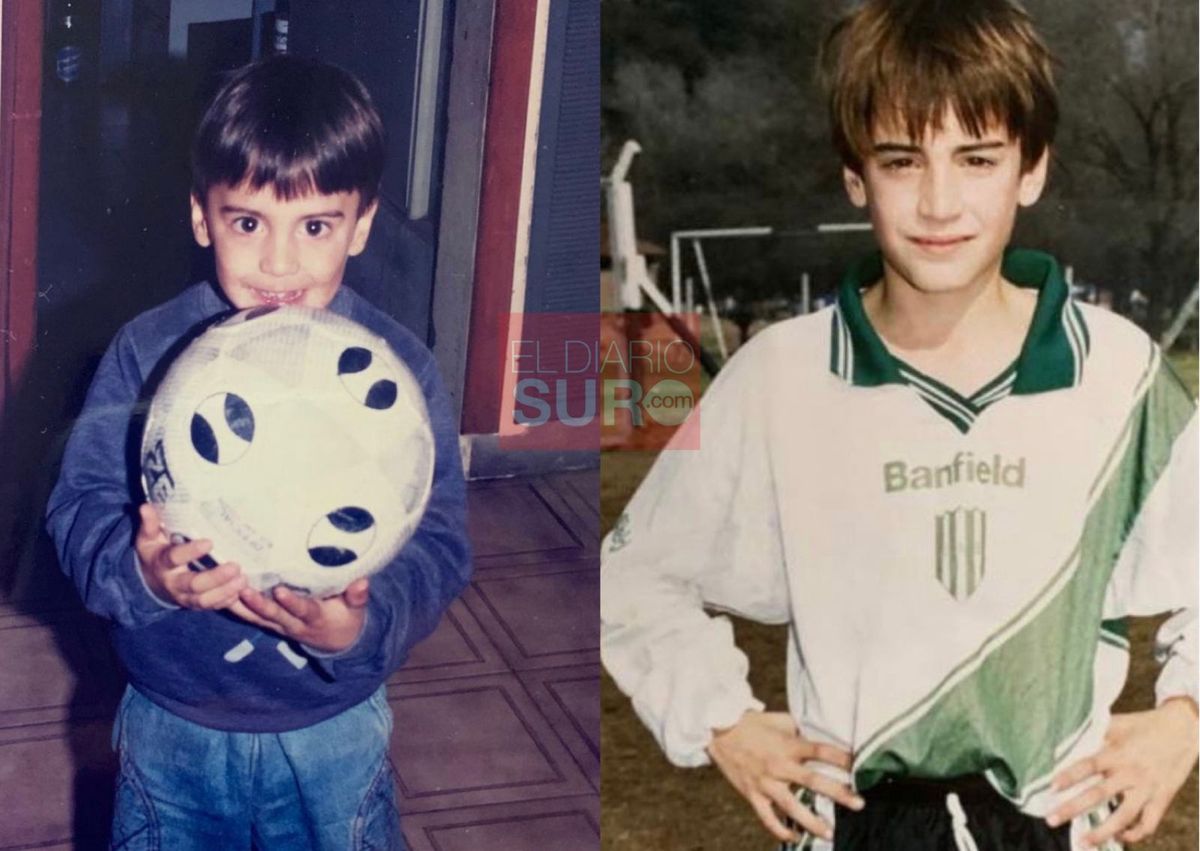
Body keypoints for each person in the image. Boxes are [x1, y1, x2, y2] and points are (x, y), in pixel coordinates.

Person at [599, 1, 1198, 849]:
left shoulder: (1116, 370)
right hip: (855, 824)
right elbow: (632, 574)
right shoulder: (782, 377)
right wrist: (721, 719)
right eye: (902, 160)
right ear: (855, 177)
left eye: (978, 158)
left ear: (1032, 169)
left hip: (1055, 820)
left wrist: (1185, 716)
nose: (940, 201)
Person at [45, 55, 470, 850]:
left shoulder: (395, 374)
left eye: (315, 226)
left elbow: (442, 541)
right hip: (174, 714)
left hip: (331, 723)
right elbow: (79, 511)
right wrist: (141, 574)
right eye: (248, 223)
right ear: (203, 217)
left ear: (363, 223)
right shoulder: (145, 354)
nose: (280, 264)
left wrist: (363, 626)